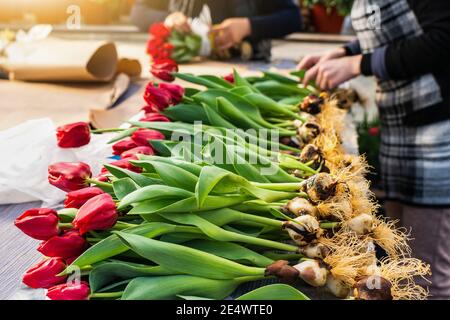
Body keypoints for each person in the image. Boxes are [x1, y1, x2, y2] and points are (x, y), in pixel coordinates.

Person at [298, 0, 450, 299]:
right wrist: (347, 52)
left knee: (428, 277)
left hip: (436, 134)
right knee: (402, 263)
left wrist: (358, 64)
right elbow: (396, 30)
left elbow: (443, 38)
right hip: (401, 127)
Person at [130, 0, 301, 60]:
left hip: (247, 72)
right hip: (185, 75)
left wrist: (249, 26)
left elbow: (293, 17)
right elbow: (138, 11)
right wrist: (167, 18)